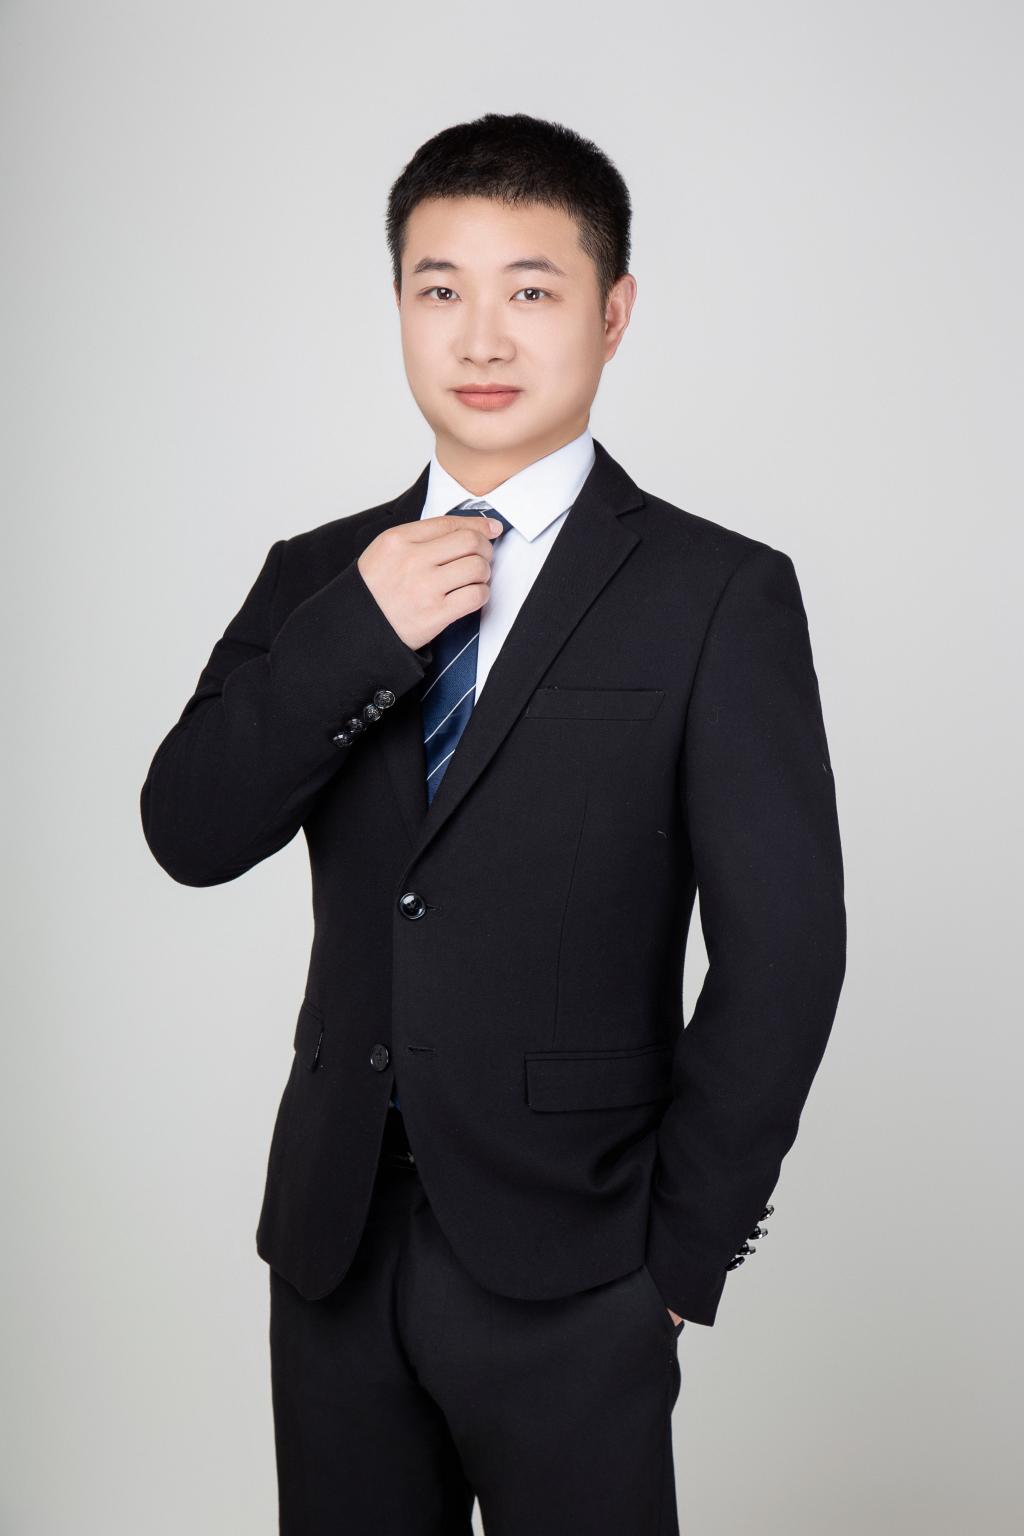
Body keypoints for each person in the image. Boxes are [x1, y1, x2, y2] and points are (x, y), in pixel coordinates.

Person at [140, 111, 846, 1536]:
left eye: (531, 289)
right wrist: (358, 632)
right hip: (334, 1247)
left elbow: (786, 957)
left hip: (582, 1261)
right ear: (398, 307)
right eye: (439, 288)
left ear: (612, 313)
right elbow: (190, 830)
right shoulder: (316, 575)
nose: (480, 336)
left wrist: (678, 1263)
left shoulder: (717, 592)